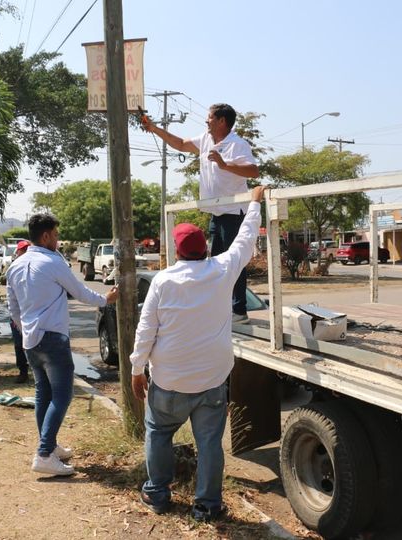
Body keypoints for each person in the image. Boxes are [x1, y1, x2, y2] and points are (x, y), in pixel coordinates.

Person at [130, 185, 266, 521]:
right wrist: (254, 203)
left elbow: (146, 330)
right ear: (205, 248)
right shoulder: (221, 270)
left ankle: (158, 494)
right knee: (209, 444)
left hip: (169, 381)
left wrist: (136, 369)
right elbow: (245, 240)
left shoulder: (163, 281)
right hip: (211, 381)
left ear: (176, 252)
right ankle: (207, 505)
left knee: (159, 433)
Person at [7, 214, 118, 476]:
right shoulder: (53, 262)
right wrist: (106, 299)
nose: (57, 240)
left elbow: (12, 307)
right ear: (45, 236)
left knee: (43, 394)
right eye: (56, 235)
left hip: (30, 340)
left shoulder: (15, 265)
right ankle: (44, 453)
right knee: (62, 395)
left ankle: (50, 446)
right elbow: (80, 292)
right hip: (53, 338)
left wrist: (26, 328)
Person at [141, 103, 260, 323]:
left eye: (210, 118)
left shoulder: (238, 144)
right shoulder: (206, 139)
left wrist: (225, 165)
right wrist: (154, 128)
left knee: (235, 261)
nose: (206, 121)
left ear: (222, 121)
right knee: (215, 264)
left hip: (233, 212)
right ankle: (221, 307)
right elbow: (180, 144)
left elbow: (253, 171)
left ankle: (239, 310)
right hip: (216, 211)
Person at [8, 240, 31, 383]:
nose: (25, 252)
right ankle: (23, 371)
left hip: (32, 313)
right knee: (19, 344)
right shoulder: (14, 268)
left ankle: (39, 371)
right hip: (17, 314)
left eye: (27, 249)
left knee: (35, 344)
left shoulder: (34, 266)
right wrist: (16, 319)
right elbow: (11, 297)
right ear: (18, 251)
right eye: (23, 250)